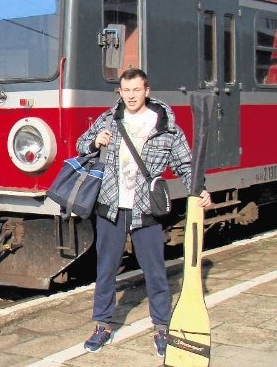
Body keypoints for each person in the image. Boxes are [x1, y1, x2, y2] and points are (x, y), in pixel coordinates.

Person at [77, 68, 211, 357]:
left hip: (146, 207)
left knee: (155, 271)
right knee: (106, 270)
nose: (130, 96)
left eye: (136, 90)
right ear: (121, 92)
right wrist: (94, 142)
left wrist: (199, 189)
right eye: (125, 91)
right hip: (111, 206)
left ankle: (161, 326)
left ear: (146, 90)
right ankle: (102, 325)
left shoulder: (165, 125)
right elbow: (80, 145)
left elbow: (185, 164)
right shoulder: (109, 119)